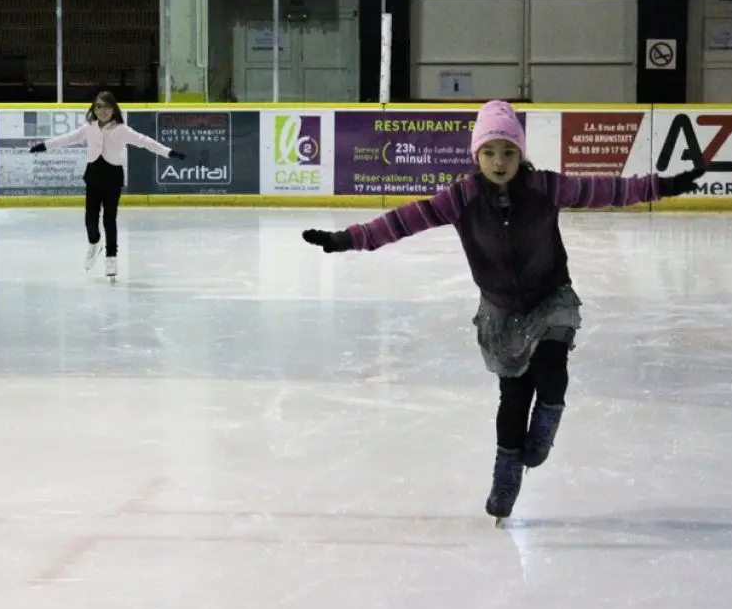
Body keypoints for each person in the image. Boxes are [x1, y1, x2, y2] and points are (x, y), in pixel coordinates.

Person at [302, 99, 704, 520]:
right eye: (490, 152)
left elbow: (609, 191)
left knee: (551, 370)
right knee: (513, 397)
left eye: (509, 152)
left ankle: (546, 423)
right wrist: (345, 239)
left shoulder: (545, 187)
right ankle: (506, 475)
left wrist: (664, 186)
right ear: (476, 156)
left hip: (551, 299)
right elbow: (402, 221)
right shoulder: (460, 198)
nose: (499, 162)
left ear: (521, 155)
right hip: (501, 312)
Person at [30, 91, 186, 278]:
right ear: (93, 109)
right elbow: (68, 138)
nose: (102, 110)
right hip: (93, 175)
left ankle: (111, 257)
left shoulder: (122, 130)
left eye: (106, 106)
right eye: (98, 106)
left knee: (109, 219)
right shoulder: (89, 127)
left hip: (113, 177)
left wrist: (169, 152)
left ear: (113, 109)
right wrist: (44, 146)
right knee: (90, 218)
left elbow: (145, 142)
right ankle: (94, 243)